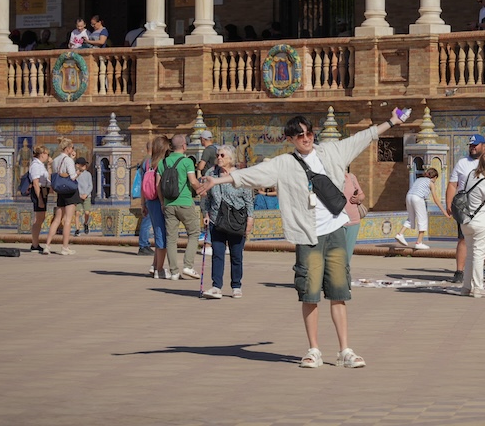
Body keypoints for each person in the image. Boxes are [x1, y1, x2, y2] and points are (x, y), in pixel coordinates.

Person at [197, 109, 406, 368]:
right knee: (309, 294)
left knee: (339, 292)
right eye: (299, 135)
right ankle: (314, 350)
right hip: (308, 236)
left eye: (308, 133)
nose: (305, 139)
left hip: (336, 231)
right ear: (290, 139)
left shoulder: (331, 152)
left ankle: (345, 350)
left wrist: (392, 121)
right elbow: (252, 174)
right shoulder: (284, 164)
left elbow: (363, 137)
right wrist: (217, 181)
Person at [445, 134, 485, 284]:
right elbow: (453, 184)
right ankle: (460, 271)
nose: (472, 148)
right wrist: (449, 203)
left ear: (483, 146)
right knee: (464, 241)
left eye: (475, 145)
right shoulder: (463, 164)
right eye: (471, 145)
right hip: (467, 209)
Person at [201, 145, 255, 300]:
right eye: (218, 155)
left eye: (222, 155)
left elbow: (248, 200)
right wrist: (205, 213)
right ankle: (216, 286)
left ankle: (236, 285)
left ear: (231, 159)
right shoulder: (211, 173)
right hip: (217, 219)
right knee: (217, 254)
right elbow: (206, 197)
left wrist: (250, 219)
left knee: (236, 255)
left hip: (237, 219)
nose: (219, 158)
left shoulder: (240, 175)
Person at [457, 150, 485, 297]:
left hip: (466, 221)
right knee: (478, 255)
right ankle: (478, 287)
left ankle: (466, 287)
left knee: (470, 254)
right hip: (480, 222)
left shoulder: (472, 175)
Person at [159, 134, 203, 280]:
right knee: (194, 233)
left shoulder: (163, 162)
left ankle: (174, 272)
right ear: (184, 146)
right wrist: (203, 190)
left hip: (168, 204)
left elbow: (158, 186)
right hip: (184, 202)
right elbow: (193, 182)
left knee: (171, 238)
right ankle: (188, 266)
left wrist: (162, 202)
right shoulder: (187, 162)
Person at [42, 138, 80, 255]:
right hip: (70, 191)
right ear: (68, 148)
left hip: (60, 191)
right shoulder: (68, 160)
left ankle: (47, 245)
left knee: (57, 219)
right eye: (72, 148)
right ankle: (65, 247)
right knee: (68, 220)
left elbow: (55, 174)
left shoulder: (56, 160)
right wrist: (78, 170)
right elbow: (73, 177)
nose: (72, 150)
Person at [395, 167, 447, 251]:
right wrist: (444, 211)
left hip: (409, 196)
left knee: (411, 217)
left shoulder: (419, 179)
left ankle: (400, 234)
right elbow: (436, 199)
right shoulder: (431, 183)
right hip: (418, 198)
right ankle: (419, 242)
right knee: (423, 219)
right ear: (435, 177)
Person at [144, 136, 169, 278]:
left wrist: (143, 203)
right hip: (158, 201)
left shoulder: (148, 163)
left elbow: (143, 184)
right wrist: (162, 202)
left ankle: (154, 266)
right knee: (162, 236)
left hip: (149, 200)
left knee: (158, 232)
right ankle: (159, 269)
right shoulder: (162, 164)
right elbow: (159, 186)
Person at [27, 145, 51, 252]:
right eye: (47, 154)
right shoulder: (35, 165)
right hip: (39, 191)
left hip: (43, 190)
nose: (48, 156)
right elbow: (36, 183)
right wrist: (40, 198)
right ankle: (34, 243)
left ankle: (35, 243)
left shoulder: (41, 165)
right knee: (39, 218)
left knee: (41, 217)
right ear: (42, 154)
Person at [341, 168, 365, 256]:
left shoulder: (351, 177)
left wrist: (358, 198)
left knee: (347, 254)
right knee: (337, 255)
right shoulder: (331, 177)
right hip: (337, 222)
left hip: (353, 220)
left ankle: (345, 269)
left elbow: (362, 195)